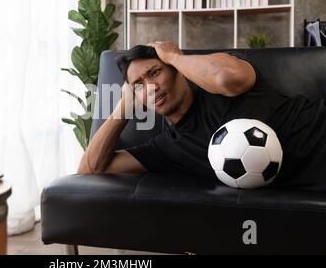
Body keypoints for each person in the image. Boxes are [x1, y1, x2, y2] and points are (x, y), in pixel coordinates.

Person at [77, 41, 326, 191]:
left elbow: (226, 78)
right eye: (139, 85)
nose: (150, 86)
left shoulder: (224, 86)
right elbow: (89, 169)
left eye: (155, 72)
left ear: (179, 71)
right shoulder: (168, 148)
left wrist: (175, 56)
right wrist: (124, 106)